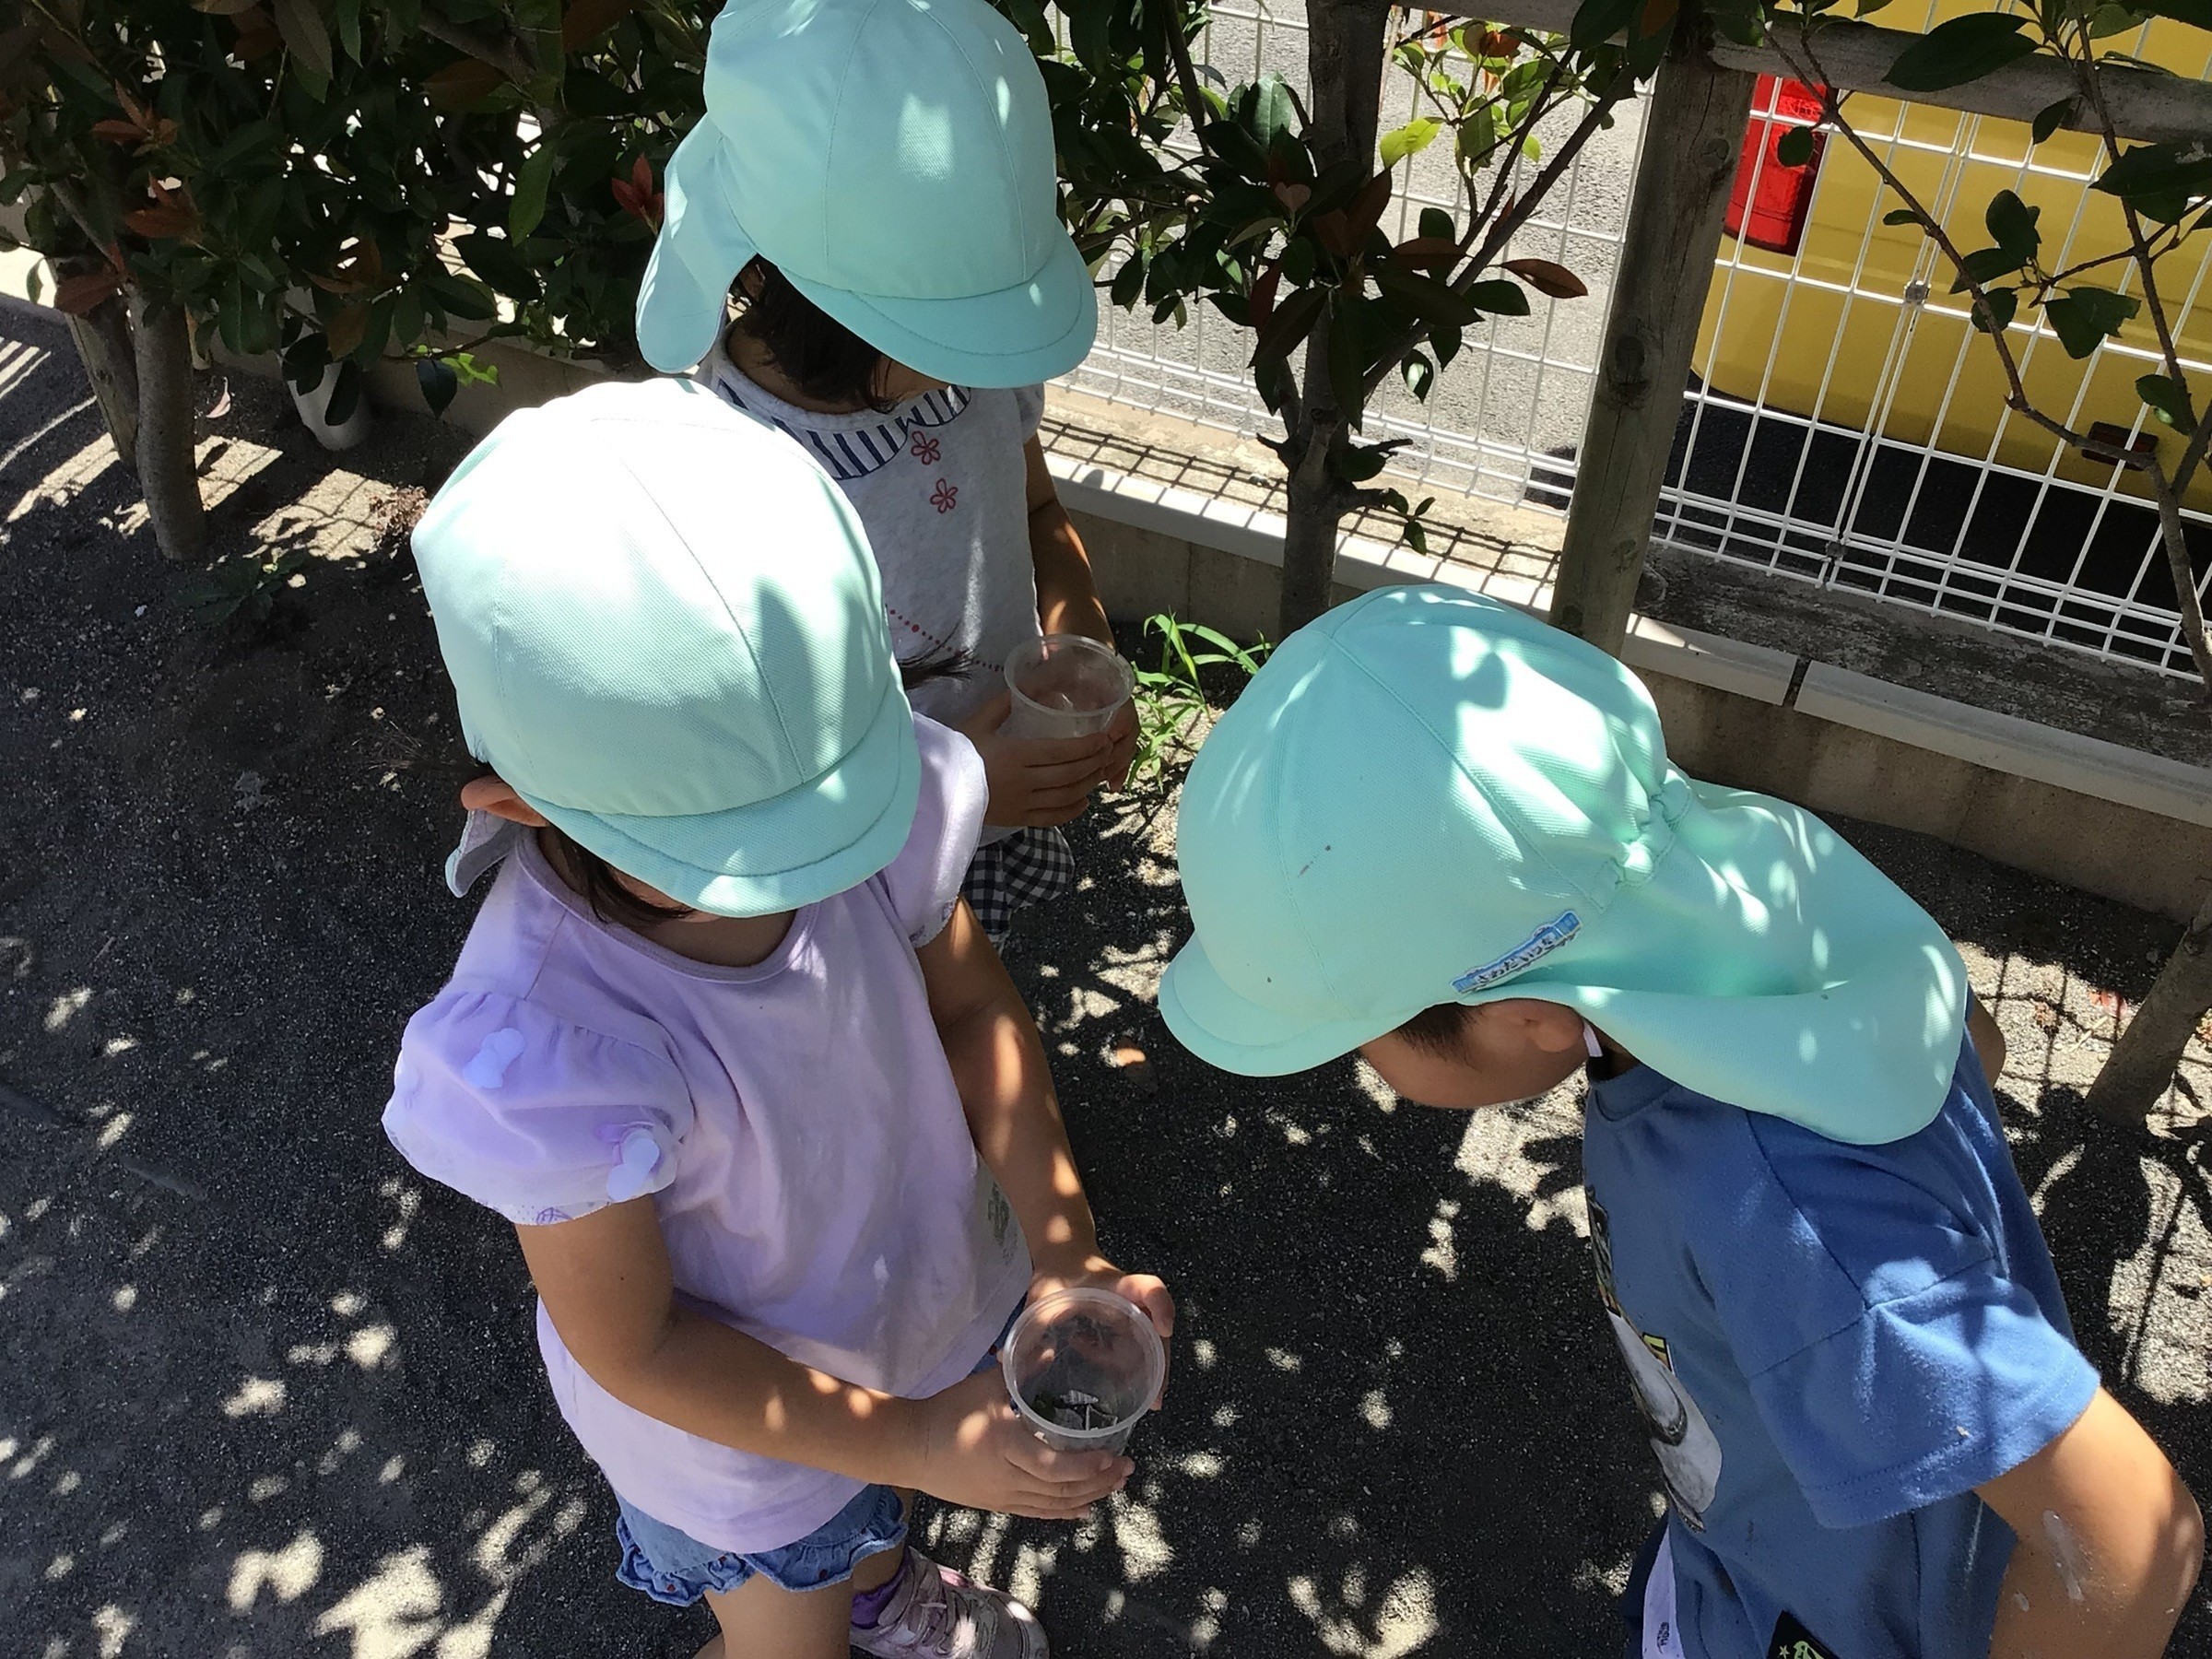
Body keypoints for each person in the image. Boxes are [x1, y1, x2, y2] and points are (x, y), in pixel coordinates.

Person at [1157, 583, 2204, 1659]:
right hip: (1745, 1555)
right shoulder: (1758, 884)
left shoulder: (1786, 1219)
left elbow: (2127, 1539)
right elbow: (1970, 1044)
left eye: (1359, 1034)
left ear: (1530, 1016)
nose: (1363, 1064)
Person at [382, 380, 1173, 1659]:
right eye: (734, 850)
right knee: (785, 1630)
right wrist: (914, 1438)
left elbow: (970, 1001)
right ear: (518, 801)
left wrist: (1064, 1249)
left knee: (873, 1519)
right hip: (740, 1448)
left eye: (831, 808)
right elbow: (637, 1345)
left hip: (901, 1316)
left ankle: (878, 1585)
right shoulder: (553, 1047)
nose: (807, 867)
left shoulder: (844, 789)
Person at [634, 0, 1128, 945]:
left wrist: (1079, 635)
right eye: (949, 336)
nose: (982, 357)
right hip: (855, 868)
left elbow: (1034, 506)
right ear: (806, 302)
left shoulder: (976, 377)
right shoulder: (733, 473)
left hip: (995, 802)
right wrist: (949, 788)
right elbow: (758, 759)